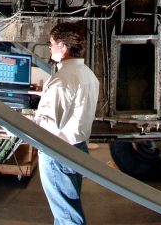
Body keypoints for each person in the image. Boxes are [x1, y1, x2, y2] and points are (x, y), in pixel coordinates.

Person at [34, 22, 100, 225]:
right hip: (77, 148)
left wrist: (24, 120)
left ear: (62, 46)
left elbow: (49, 126)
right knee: (68, 208)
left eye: (51, 43)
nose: (50, 47)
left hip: (57, 153)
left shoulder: (62, 79)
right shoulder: (88, 74)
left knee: (67, 215)